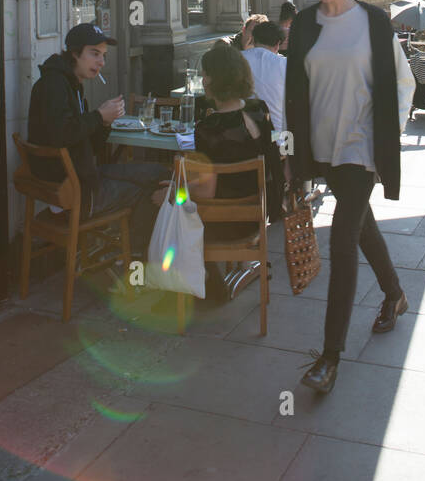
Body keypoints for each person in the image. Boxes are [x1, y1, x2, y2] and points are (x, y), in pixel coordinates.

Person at [285, 0, 415, 395]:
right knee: (362, 227)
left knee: (341, 241)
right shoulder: (303, 24)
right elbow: (294, 89)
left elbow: (403, 83)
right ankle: (394, 294)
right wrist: (292, 151)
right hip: (322, 145)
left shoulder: (374, 22)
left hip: (360, 147)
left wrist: (387, 139)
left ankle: (330, 357)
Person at [151, 42, 283, 300]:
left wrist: (173, 190)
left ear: (213, 80)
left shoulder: (208, 129)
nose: (202, 79)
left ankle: (201, 284)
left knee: (157, 201)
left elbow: (207, 192)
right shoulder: (259, 110)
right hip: (258, 215)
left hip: (223, 224)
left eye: (204, 74)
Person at [27, 23, 168, 258]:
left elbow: (86, 145)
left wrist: (103, 123)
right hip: (77, 192)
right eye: (94, 54)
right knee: (152, 191)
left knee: (161, 174)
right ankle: (133, 258)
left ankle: (121, 252)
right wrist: (98, 116)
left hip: (79, 179)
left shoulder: (70, 85)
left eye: (103, 55)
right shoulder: (54, 86)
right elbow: (61, 134)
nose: (101, 62)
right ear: (74, 53)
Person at [243, 20, 287, 130]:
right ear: (277, 44)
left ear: (253, 39)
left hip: (243, 133)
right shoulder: (285, 64)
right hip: (280, 135)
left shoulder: (237, 59)